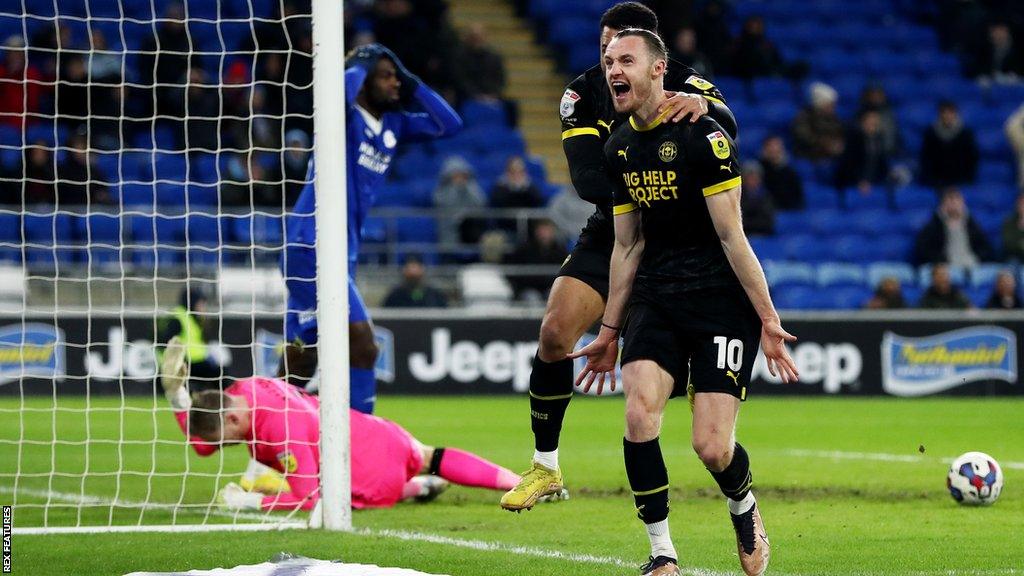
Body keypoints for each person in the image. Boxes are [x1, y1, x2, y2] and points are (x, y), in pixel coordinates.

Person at [572, 29, 798, 576]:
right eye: (607, 61)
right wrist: (608, 330)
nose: (612, 70)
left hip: (720, 300)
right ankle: (661, 553)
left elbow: (732, 237)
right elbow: (627, 246)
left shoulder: (704, 137)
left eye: (626, 59)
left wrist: (767, 320)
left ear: (658, 70)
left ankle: (742, 504)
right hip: (657, 297)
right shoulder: (618, 146)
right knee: (638, 412)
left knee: (712, 447)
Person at [500, 2, 739, 516]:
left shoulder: (683, 82)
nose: (610, 63)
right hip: (617, 225)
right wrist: (644, 171)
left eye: (622, 51)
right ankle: (545, 466)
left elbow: (727, 125)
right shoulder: (581, 94)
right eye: (605, 49)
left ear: (653, 54)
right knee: (554, 332)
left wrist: (707, 111)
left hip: (683, 238)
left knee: (701, 431)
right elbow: (588, 181)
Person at [279, 43, 461, 410]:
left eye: (396, 77)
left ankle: (262, 447)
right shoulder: (341, 117)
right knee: (363, 345)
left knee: (302, 359)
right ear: (364, 82)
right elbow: (341, 93)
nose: (395, 83)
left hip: (341, 253)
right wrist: (358, 67)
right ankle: (364, 442)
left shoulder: (394, 123)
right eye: (386, 77)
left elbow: (449, 125)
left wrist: (412, 83)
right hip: (309, 246)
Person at [158, 337, 526, 512]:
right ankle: (518, 482)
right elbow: (205, 442)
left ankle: (412, 489)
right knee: (429, 455)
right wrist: (180, 399)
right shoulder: (245, 389)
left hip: (366, 474)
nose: (227, 443)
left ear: (234, 418)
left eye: (229, 435)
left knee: (333, 492)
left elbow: (306, 498)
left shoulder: (280, 431)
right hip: (375, 432)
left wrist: (248, 502)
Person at [157, 288, 222, 391]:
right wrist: (181, 358)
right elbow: (165, 342)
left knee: (218, 370)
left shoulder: (194, 318)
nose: (203, 307)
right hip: (184, 363)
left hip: (197, 362)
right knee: (220, 373)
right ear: (192, 302)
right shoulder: (177, 318)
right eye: (201, 303)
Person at [913, 187, 993, 267]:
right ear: (943, 204)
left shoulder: (971, 223)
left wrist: (976, 258)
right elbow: (923, 249)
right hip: (944, 266)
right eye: (950, 200)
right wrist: (942, 260)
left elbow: (985, 248)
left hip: (971, 264)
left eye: (957, 200)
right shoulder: (934, 225)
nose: (954, 204)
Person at [919, 101, 978, 188]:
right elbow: (925, 157)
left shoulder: (966, 133)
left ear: (955, 114)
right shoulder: (930, 133)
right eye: (944, 113)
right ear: (939, 115)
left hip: (961, 180)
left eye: (950, 112)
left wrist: (967, 179)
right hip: (936, 180)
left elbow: (972, 157)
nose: (947, 116)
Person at [508, 219, 570, 299]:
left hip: (551, 287)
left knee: (553, 295)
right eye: (541, 230)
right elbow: (517, 273)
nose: (544, 234)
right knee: (531, 297)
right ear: (536, 231)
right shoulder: (525, 249)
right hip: (529, 288)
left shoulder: (560, 251)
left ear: (552, 232)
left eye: (547, 230)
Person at [433, 155, 487, 245]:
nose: (460, 179)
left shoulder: (472, 188)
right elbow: (445, 206)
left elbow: (481, 203)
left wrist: (467, 188)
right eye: (456, 176)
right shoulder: (440, 193)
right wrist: (456, 189)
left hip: (471, 235)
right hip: (449, 234)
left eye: (462, 176)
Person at [835, 110, 893, 194]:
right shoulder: (853, 139)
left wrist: (889, 174)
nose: (872, 126)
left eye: (875, 123)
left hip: (874, 180)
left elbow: (881, 162)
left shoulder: (878, 139)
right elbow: (848, 164)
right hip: (853, 182)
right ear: (862, 123)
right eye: (869, 122)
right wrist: (860, 181)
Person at [791, 82, 844, 161]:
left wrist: (838, 143)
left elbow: (839, 131)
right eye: (830, 105)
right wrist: (826, 143)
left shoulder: (832, 117)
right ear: (820, 104)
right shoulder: (804, 116)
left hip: (829, 154)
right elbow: (804, 137)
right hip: (809, 155)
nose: (833, 108)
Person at [382, 256, 448, 308]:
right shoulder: (394, 295)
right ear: (403, 271)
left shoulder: (435, 294)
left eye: (416, 267)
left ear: (423, 269)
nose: (412, 271)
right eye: (409, 267)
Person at [758, 135, 804, 210]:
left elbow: (798, 198)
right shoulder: (758, 171)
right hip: (764, 212)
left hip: (788, 210)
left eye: (777, 147)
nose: (774, 150)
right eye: (771, 148)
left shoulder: (790, 173)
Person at [739, 161, 775, 236]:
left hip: (764, 234)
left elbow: (769, 220)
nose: (753, 180)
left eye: (755, 177)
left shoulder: (766, 197)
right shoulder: (738, 197)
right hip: (744, 235)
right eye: (750, 177)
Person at [1001, 192, 1024, 262]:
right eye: (1022, 204)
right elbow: (1009, 243)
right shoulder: (1009, 222)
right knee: (1011, 266)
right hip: (1015, 258)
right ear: (1018, 206)